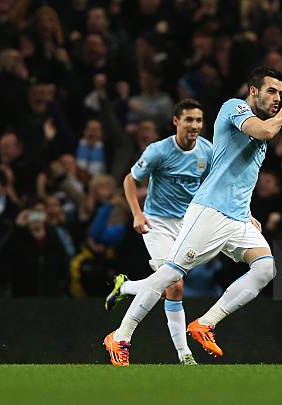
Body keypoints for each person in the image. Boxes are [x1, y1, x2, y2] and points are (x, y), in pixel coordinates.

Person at [103, 66, 282, 366]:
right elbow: (266, 131)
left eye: (281, 94)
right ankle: (120, 336)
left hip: (235, 217)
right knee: (171, 278)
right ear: (253, 91)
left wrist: (247, 213)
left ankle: (206, 323)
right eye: (272, 91)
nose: (277, 97)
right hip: (208, 212)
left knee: (266, 268)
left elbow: (235, 174)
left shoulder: (226, 139)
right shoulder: (234, 108)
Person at [105, 99, 212, 365]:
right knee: (174, 283)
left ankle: (126, 286)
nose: (194, 125)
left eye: (198, 120)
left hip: (189, 225)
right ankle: (183, 354)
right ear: (176, 121)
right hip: (157, 223)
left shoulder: (208, 151)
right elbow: (130, 179)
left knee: (173, 290)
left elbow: (217, 185)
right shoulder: (159, 151)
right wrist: (137, 213)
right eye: (188, 120)